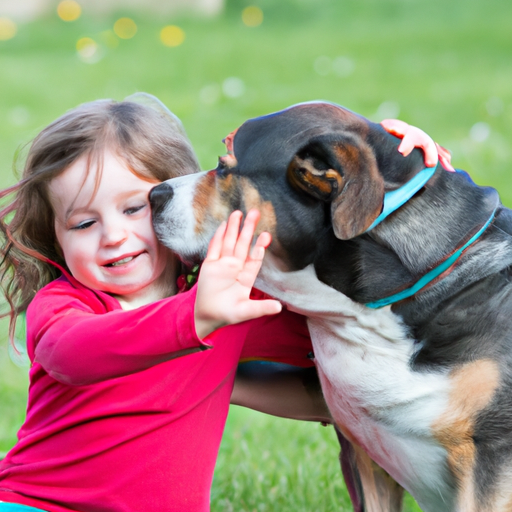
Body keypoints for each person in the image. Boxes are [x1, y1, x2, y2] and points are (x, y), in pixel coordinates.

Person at [0, 93, 447, 512]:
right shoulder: (66, 305)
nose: (113, 235)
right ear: (55, 239)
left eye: (134, 209)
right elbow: (71, 353)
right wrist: (195, 315)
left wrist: (393, 160)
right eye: (83, 223)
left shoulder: (228, 299)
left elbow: (338, 360)